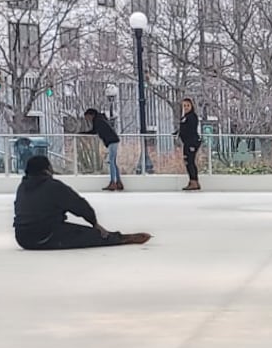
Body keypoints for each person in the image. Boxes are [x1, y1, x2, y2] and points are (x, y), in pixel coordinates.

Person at [12, 154, 149, 248]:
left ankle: (115, 237)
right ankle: (118, 238)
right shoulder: (53, 186)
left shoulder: (22, 187)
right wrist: (95, 224)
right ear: (47, 170)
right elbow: (78, 205)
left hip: (22, 238)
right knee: (92, 236)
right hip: (45, 236)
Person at [81, 106, 123, 191]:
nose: (88, 120)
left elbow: (94, 131)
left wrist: (82, 133)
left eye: (87, 117)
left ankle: (113, 183)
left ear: (91, 115)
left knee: (111, 162)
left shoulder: (97, 121)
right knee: (113, 162)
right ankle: (118, 182)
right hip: (113, 140)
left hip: (111, 141)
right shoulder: (100, 118)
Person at [178, 98, 202, 191]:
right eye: (184, 106)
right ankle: (193, 180)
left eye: (188, 105)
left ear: (191, 106)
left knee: (190, 162)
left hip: (191, 142)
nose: (186, 107)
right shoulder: (184, 117)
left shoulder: (192, 117)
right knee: (188, 162)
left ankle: (194, 181)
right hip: (187, 142)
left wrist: (191, 144)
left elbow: (191, 130)